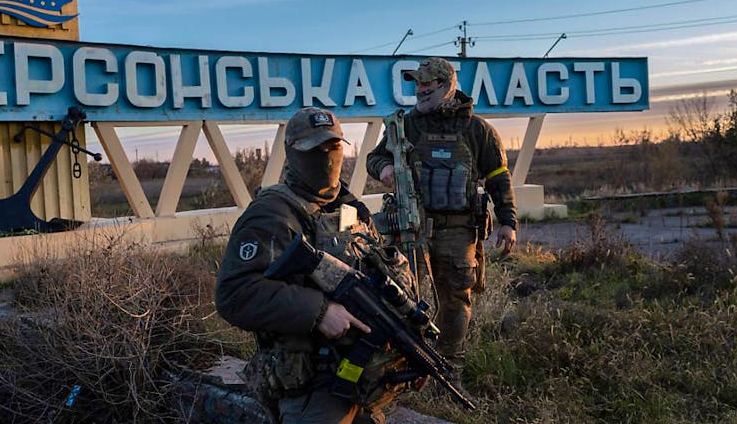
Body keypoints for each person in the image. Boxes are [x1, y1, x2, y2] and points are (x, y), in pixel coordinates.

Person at [216, 107, 406, 424]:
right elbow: (234, 293)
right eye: (314, 149)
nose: (326, 157)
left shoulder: (347, 207)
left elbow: (367, 269)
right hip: (311, 391)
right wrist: (318, 311)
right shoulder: (273, 212)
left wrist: (401, 357)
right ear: (292, 152)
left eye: (333, 146)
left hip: (359, 382)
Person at [366, 56, 517, 400]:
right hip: (409, 228)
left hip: (458, 230)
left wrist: (508, 221)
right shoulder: (404, 126)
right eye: (416, 84)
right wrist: (384, 169)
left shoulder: (478, 130)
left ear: (448, 85)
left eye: (427, 85)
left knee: (455, 302)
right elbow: (373, 158)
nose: (419, 91)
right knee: (404, 299)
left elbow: (499, 178)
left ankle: (448, 374)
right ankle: (402, 372)